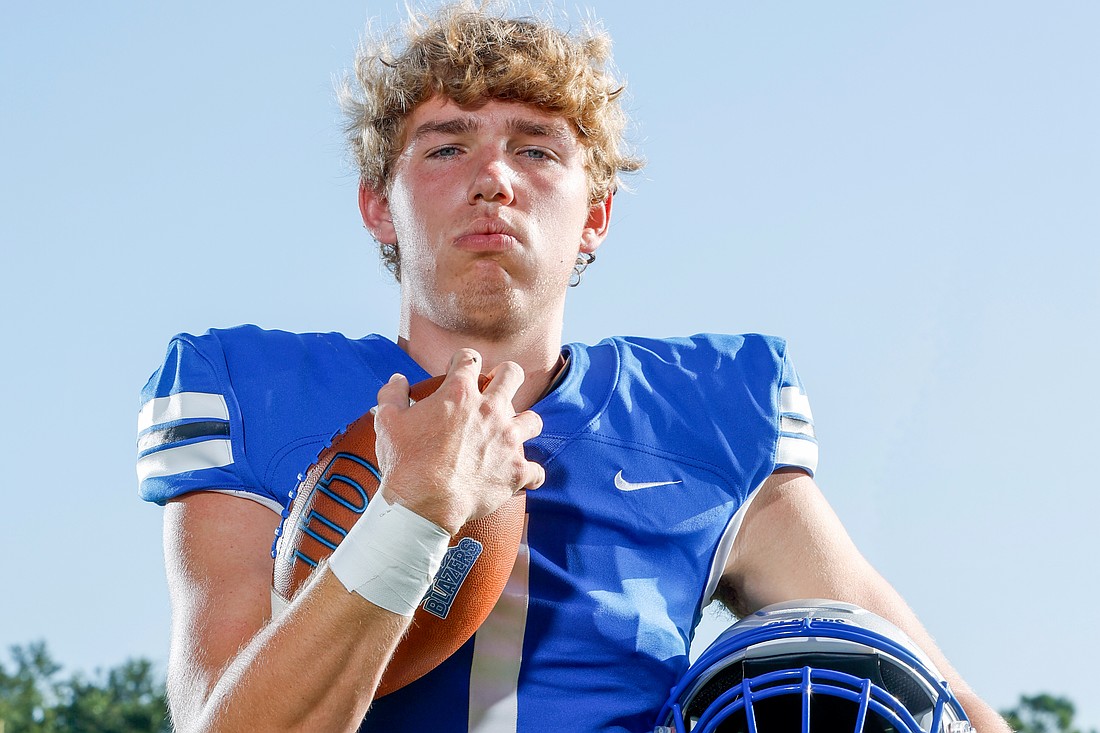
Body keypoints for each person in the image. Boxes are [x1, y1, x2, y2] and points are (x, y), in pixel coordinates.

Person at [136, 4, 1010, 732]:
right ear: (379, 206)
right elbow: (224, 719)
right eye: (445, 147)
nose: (494, 179)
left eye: (537, 149)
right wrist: (413, 512)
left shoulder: (709, 417)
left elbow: (934, 693)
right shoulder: (249, 389)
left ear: (595, 214)